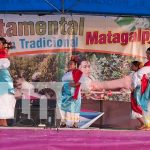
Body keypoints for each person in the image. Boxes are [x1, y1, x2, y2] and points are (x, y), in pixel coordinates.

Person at [59, 56, 83, 128]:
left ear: (75, 65)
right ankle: (63, 122)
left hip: (73, 93)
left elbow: (78, 83)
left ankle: (75, 123)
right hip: (65, 94)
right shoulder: (67, 73)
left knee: (74, 108)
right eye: (69, 64)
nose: (69, 65)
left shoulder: (77, 72)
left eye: (71, 64)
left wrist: (70, 85)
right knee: (64, 108)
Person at [132, 47, 150, 130]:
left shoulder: (147, 65)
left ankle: (147, 125)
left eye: (148, 54)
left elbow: (140, 74)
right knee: (145, 106)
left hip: (146, 88)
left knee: (145, 105)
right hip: (146, 87)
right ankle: (147, 125)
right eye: (147, 53)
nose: (147, 55)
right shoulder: (147, 64)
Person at [0, 37, 16, 126]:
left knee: (4, 101)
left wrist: (6, 46)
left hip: (4, 81)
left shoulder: (4, 55)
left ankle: (4, 124)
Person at [130, 61, 144, 129]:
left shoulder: (136, 74)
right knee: (136, 107)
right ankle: (143, 124)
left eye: (132, 66)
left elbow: (135, 84)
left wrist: (132, 89)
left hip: (136, 92)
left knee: (135, 107)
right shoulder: (136, 73)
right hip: (138, 91)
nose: (131, 67)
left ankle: (144, 123)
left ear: (136, 67)